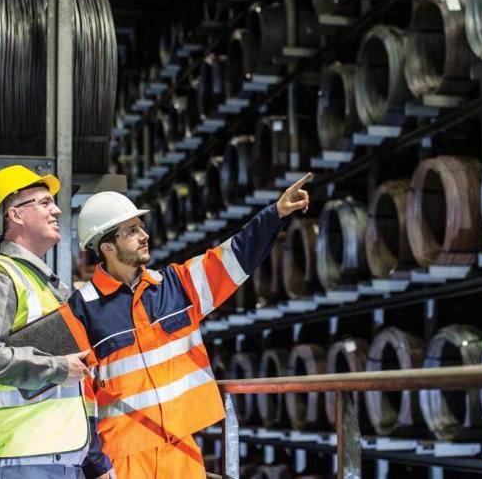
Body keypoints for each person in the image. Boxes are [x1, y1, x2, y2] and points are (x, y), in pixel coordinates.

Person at [67, 173, 312, 477]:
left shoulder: (176, 285)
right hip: (124, 457)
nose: (144, 235)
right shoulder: (81, 310)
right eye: (131, 231)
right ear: (107, 247)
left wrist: (275, 215)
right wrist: (95, 465)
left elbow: (233, 258)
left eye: (141, 226)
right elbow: (77, 395)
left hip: (180, 445)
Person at [0, 165, 113, 479]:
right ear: (16, 215)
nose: (57, 210)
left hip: (61, 458)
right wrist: (58, 368)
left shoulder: (46, 286)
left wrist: (93, 459)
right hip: (22, 458)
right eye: (44, 202)